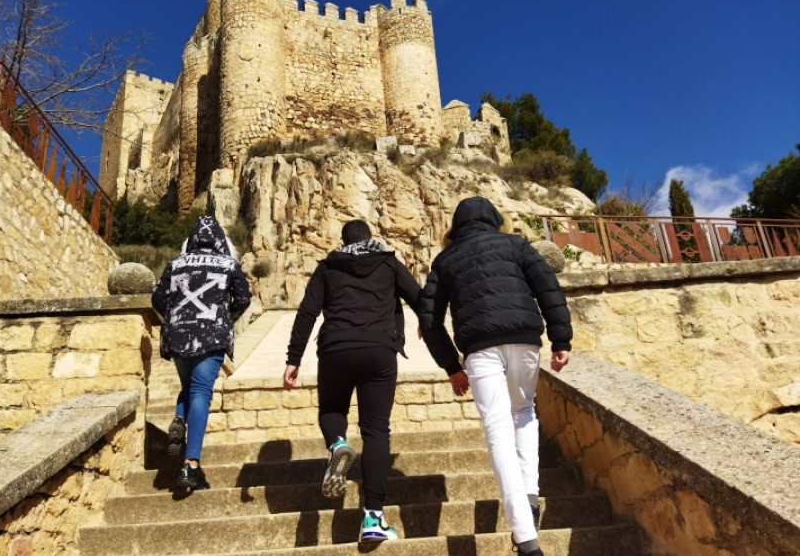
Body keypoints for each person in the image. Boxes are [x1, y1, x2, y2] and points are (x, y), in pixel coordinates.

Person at [417, 197, 572, 556]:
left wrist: (452, 367)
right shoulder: (517, 245)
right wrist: (560, 338)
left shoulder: (445, 259)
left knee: (497, 430)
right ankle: (530, 493)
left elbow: (428, 320)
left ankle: (525, 537)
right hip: (525, 342)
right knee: (524, 412)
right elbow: (549, 289)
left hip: (479, 349)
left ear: (455, 227)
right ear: (494, 219)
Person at [283, 220, 441, 542]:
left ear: (342, 242)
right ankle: (373, 519)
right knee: (375, 430)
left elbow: (306, 313)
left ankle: (338, 444)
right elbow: (419, 296)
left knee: (331, 408)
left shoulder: (327, 268)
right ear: (370, 238)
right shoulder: (387, 262)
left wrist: (293, 358)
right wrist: (427, 323)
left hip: (335, 349)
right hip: (379, 351)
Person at [152, 215, 252, 490]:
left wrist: (174, 320)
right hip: (212, 335)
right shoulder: (229, 264)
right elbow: (244, 298)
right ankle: (190, 466)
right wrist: (225, 318)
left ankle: (179, 419)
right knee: (200, 393)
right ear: (219, 238)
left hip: (178, 335)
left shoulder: (175, 264)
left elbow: (157, 299)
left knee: (189, 387)